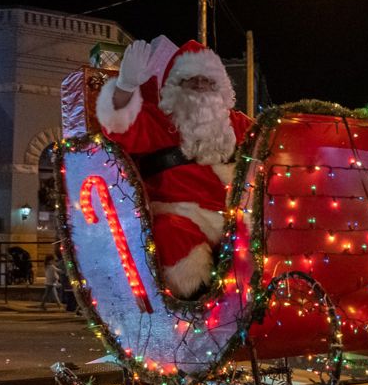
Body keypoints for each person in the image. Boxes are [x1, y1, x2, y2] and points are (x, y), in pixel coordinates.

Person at [96, 38, 253, 299]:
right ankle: (200, 303)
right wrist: (125, 86)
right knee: (171, 232)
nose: (201, 87)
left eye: (207, 80)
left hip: (235, 216)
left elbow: (274, 144)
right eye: (191, 81)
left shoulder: (238, 125)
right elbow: (118, 127)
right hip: (183, 215)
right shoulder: (156, 121)